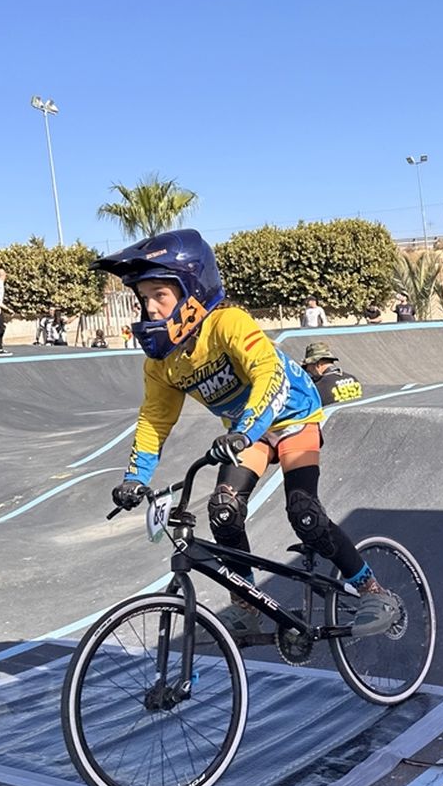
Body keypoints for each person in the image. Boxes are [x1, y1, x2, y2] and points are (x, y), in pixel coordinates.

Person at [95, 229, 400, 638]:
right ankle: (247, 605)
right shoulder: (162, 363)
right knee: (223, 510)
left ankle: (373, 591)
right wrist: (135, 477)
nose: (149, 308)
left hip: (292, 418)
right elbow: (154, 419)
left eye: (159, 296)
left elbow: (268, 374)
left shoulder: (228, 323)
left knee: (305, 513)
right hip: (247, 432)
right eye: (143, 298)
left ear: (191, 292)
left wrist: (243, 432)